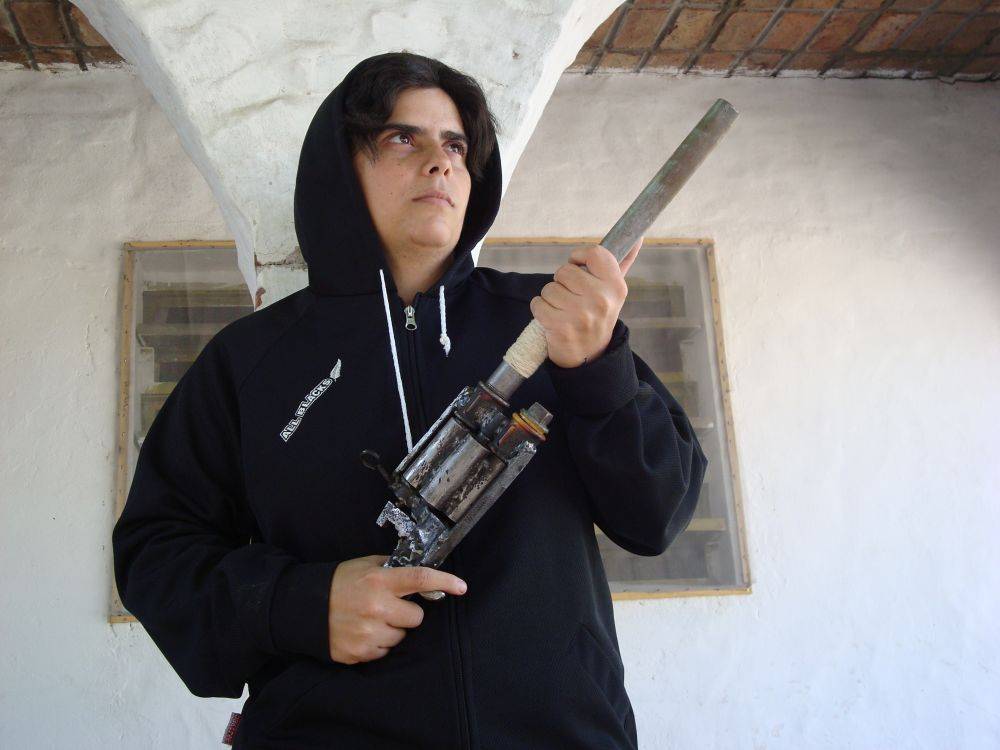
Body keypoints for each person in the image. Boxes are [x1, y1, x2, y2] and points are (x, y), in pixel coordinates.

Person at [112, 51, 708, 750]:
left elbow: (657, 515)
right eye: (404, 138)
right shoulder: (249, 362)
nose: (440, 163)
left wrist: (600, 368)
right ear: (342, 167)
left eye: (455, 146)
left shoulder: (559, 321)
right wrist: (299, 606)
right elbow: (156, 555)